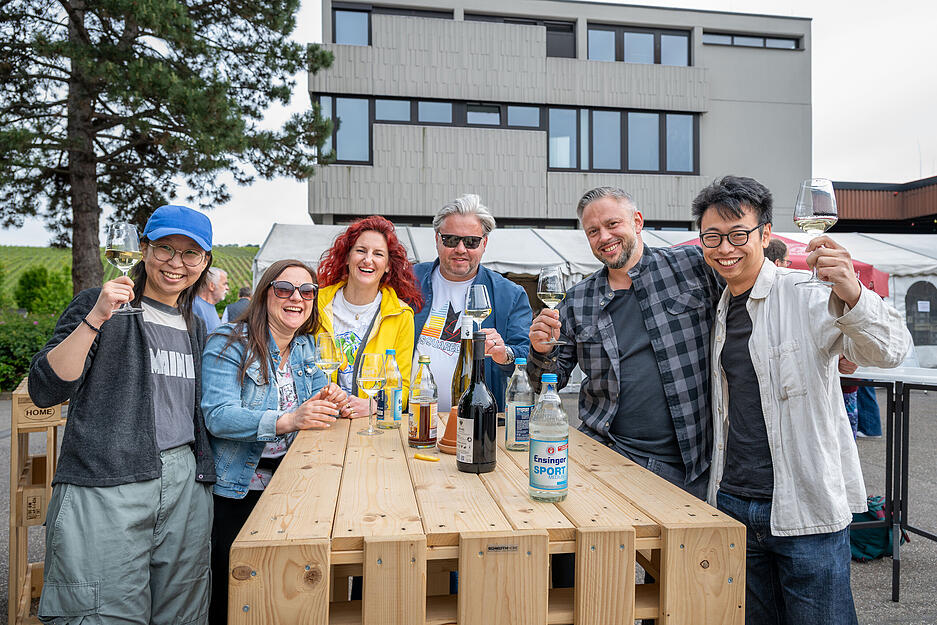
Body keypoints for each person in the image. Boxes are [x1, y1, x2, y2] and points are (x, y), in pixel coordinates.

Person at [691, 175, 911, 625]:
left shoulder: (804, 293)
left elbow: (891, 350)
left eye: (738, 234)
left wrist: (851, 291)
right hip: (733, 501)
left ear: (766, 234)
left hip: (804, 505)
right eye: (712, 236)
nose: (725, 247)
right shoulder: (719, 307)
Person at [28, 204, 217, 624]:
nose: (176, 263)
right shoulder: (96, 307)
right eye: (165, 248)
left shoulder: (197, 325)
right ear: (143, 249)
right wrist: (96, 317)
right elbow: (46, 388)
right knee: (99, 612)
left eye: (191, 254)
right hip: (106, 482)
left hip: (186, 484)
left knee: (183, 613)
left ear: (204, 263)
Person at [528, 187, 722, 498]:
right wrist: (540, 350)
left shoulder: (692, 266)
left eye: (612, 224)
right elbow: (546, 382)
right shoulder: (578, 299)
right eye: (593, 231)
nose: (603, 237)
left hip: (690, 466)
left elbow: (744, 305)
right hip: (606, 458)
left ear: (637, 221)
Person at [201, 259, 351, 625]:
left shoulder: (302, 346)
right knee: (235, 593)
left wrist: (333, 398)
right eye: (284, 289)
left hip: (290, 488)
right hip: (239, 491)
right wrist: (288, 420)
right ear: (265, 293)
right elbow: (218, 415)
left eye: (306, 292)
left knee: (286, 589)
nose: (296, 298)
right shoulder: (228, 342)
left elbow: (316, 397)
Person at [414, 194, 532, 412]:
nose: (460, 249)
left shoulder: (510, 294)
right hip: (410, 418)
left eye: (471, 241)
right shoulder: (409, 281)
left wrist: (504, 353)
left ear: (484, 243)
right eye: (450, 239)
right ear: (437, 238)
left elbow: (528, 355)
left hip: (479, 421)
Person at [317, 215, 423, 416]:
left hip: (369, 426)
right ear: (347, 257)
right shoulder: (316, 304)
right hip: (321, 420)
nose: (368, 260)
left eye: (378, 254)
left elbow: (404, 388)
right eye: (361, 250)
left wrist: (375, 405)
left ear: (389, 265)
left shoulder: (401, 315)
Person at [194, 267, 228, 332]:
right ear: (212, 286)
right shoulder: (196, 306)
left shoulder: (210, 306)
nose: (227, 288)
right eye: (224, 284)